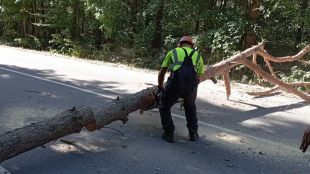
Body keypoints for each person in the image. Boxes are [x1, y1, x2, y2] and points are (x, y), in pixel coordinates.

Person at [157, 35, 205, 143]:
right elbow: (198, 78)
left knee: (164, 106)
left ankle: (169, 133)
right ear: (192, 46)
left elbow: (162, 73)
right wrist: (192, 93)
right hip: (190, 86)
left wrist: (160, 86)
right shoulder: (198, 55)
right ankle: (193, 134)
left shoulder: (173, 52)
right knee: (190, 107)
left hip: (175, 83)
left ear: (179, 44)